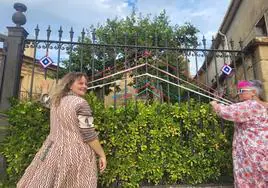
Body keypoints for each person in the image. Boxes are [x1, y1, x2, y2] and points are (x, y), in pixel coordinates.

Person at [17, 72, 107, 188]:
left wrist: (45, 88)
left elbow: (45, 101)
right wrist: (102, 154)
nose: (85, 86)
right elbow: (89, 134)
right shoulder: (81, 104)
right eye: (80, 83)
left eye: (86, 83)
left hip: (52, 150)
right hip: (76, 154)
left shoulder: (56, 101)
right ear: (69, 85)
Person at [210, 80, 268, 188]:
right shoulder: (260, 105)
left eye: (241, 90)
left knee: (251, 181)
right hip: (261, 149)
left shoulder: (250, 105)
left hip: (252, 153)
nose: (238, 93)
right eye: (238, 91)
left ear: (253, 92)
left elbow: (226, 111)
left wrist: (215, 103)